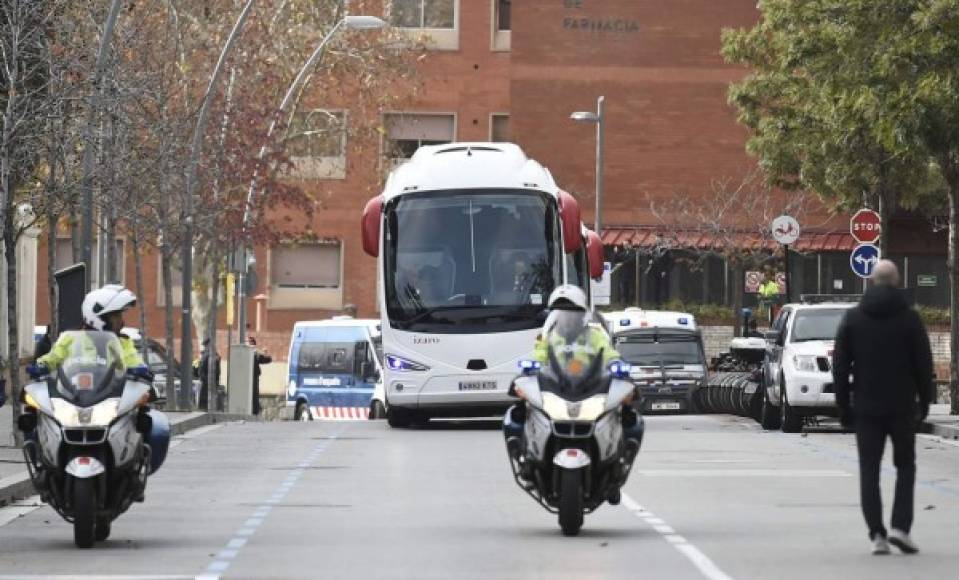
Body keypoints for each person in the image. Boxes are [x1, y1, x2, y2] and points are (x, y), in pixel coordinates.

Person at [832, 260, 933, 556]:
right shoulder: (910, 319)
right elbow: (923, 364)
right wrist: (924, 402)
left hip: (866, 407)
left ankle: (877, 534)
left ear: (872, 282)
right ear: (897, 280)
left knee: (869, 470)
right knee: (905, 466)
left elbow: (839, 366)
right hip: (901, 406)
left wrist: (843, 406)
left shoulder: (853, 318)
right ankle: (901, 527)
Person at [26, 285, 170, 476]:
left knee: (155, 425)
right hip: (74, 397)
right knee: (35, 418)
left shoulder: (122, 343)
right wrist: (41, 365)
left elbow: (134, 361)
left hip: (110, 399)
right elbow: (54, 357)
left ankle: (135, 469)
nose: (121, 321)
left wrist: (142, 370)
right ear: (99, 317)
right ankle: (43, 465)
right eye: (116, 316)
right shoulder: (69, 340)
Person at [248, 335, 273, 416]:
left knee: (254, 395)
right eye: (249, 344)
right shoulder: (244, 354)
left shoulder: (256, 355)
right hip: (245, 379)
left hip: (254, 378)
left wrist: (265, 353)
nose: (250, 346)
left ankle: (255, 412)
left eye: (252, 344)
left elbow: (268, 359)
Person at [195, 339, 221, 411]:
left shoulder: (212, 355)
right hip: (208, 381)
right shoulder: (207, 355)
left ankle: (207, 409)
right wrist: (206, 380)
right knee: (206, 399)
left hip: (210, 381)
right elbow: (201, 371)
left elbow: (217, 371)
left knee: (208, 399)